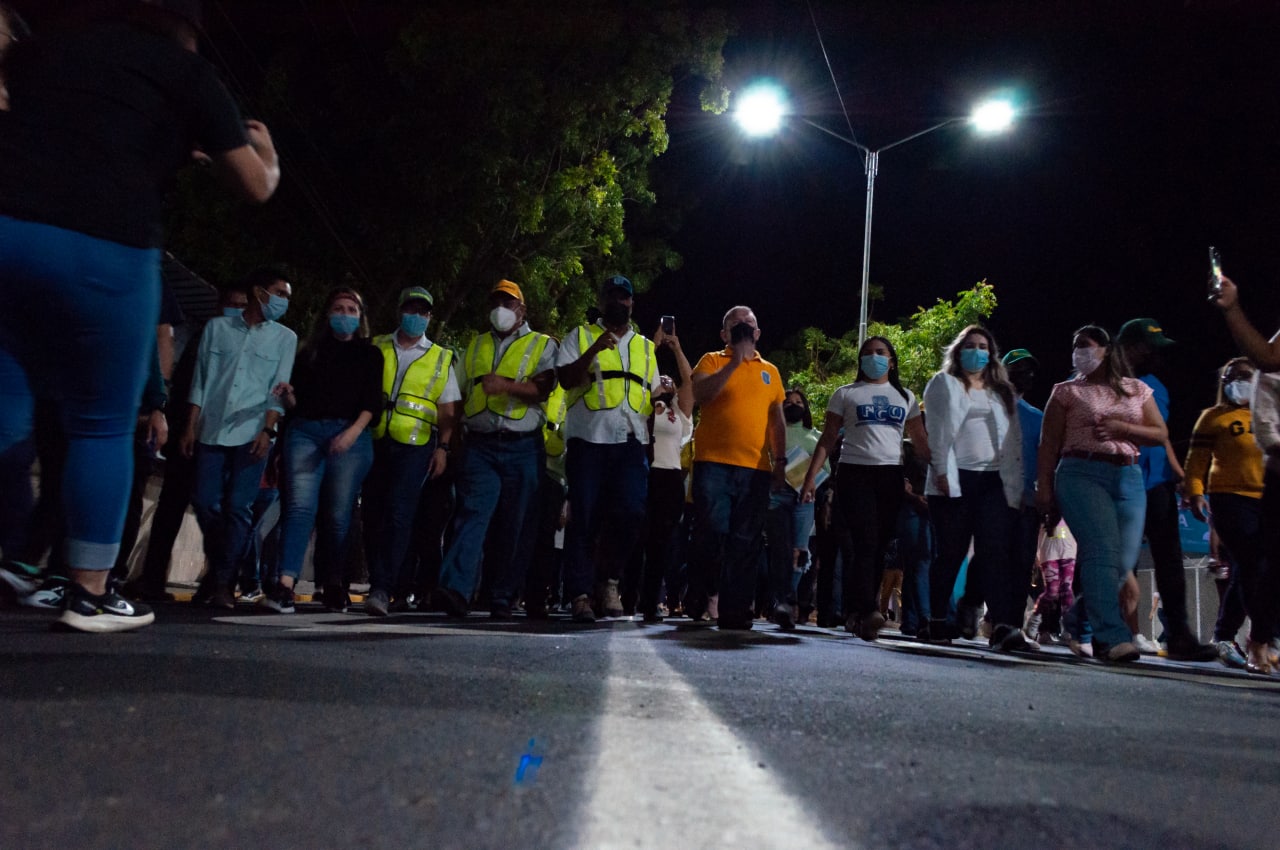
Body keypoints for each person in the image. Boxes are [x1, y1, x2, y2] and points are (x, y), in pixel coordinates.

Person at [0, 1, 279, 631]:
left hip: (8, 229)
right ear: (186, 25)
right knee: (101, 423)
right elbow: (256, 184)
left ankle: (12, 546)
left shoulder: (41, 50)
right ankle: (91, 592)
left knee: (7, 399)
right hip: (106, 246)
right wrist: (264, 149)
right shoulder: (183, 73)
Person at [1036, 325, 1168, 664]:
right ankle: (1111, 637)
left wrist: (1124, 429)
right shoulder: (1065, 392)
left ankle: (1077, 618)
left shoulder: (1137, 389)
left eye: (1087, 345)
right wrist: (1046, 490)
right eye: (1075, 345)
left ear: (1107, 350)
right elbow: (1048, 445)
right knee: (1101, 551)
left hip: (1128, 475)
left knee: (1122, 562)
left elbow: (1159, 433)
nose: (1080, 351)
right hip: (1081, 473)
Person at [436, 279, 557, 619]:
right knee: (471, 516)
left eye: (508, 303)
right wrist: (449, 441)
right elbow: (453, 396)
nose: (500, 309)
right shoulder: (474, 346)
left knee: (516, 525)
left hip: (523, 447)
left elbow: (543, 388)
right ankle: (456, 590)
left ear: (522, 310)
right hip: (480, 446)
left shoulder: (543, 345)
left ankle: (503, 596)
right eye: (496, 303)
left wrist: (504, 385)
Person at [259, 288, 381, 614]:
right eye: (338, 308)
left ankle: (333, 583)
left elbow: (372, 404)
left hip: (350, 437)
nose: (345, 314)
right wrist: (287, 396)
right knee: (299, 508)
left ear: (361, 316)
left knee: (338, 515)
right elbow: (299, 405)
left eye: (351, 309)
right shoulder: (309, 352)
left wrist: (351, 434)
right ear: (327, 315)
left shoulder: (370, 355)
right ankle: (285, 584)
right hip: (306, 433)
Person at [181, 268, 296, 610]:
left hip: (253, 432)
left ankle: (222, 581)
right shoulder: (217, 329)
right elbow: (200, 381)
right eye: (279, 293)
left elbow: (279, 389)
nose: (283, 301)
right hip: (211, 429)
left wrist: (268, 430)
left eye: (287, 296)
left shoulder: (285, 338)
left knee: (238, 508)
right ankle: (221, 568)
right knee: (204, 502)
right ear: (259, 292)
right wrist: (189, 426)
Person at [802, 336, 928, 640]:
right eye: (868, 353)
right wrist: (810, 479)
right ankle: (869, 609)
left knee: (879, 545)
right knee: (867, 540)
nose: (874, 357)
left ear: (892, 361)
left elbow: (921, 442)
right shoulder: (845, 394)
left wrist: (942, 474)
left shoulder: (906, 397)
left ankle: (858, 612)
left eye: (881, 352)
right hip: (854, 473)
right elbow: (828, 438)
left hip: (890, 476)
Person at [556, 275, 659, 622]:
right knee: (584, 516)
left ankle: (608, 579)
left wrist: (665, 394)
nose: (620, 302)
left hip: (631, 441)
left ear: (632, 303)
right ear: (601, 302)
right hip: (589, 438)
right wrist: (593, 350)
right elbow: (566, 379)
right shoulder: (580, 335)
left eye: (625, 298)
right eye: (612, 297)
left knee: (631, 512)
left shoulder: (646, 346)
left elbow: (652, 391)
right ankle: (580, 594)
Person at [1114, 318, 1216, 660]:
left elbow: (1162, 438)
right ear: (1128, 348)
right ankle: (1093, 627)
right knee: (1115, 561)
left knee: (1170, 562)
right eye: (1147, 348)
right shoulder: (1105, 385)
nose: (1154, 355)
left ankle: (1179, 636)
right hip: (1120, 482)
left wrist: (1181, 477)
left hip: (1156, 485)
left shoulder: (1156, 386)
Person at [922, 325, 1028, 651]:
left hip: (994, 481)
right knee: (950, 554)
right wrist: (941, 470)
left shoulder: (1001, 391)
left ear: (991, 353)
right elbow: (937, 430)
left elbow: (1012, 441)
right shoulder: (945, 383)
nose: (977, 351)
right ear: (958, 350)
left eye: (983, 346)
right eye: (971, 345)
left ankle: (1001, 626)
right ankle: (937, 619)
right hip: (954, 479)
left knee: (994, 552)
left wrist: (1016, 485)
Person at [685, 306, 787, 630]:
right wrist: (734, 362)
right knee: (712, 532)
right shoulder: (711, 360)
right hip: (713, 464)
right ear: (724, 334)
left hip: (755, 468)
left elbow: (777, 420)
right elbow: (701, 394)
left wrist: (780, 462)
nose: (743, 328)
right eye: (736, 324)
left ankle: (735, 609)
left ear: (758, 333)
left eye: (749, 324)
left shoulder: (771, 371)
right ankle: (702, 590)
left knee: (746, 541)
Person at [360, 286, 459, 616]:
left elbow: (448, 411)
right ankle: (388, 582)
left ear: (429, 317)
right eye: (410, 309)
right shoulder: (376, 346)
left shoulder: (441, 357)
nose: (415, 316)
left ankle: (382, 588)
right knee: (372, 514)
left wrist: (443, 448)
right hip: (374, 440)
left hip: (415, 446)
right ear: (400, 311)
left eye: (422, 311)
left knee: (399, 516)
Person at [1185, 357, 1271, 672]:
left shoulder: (1269, 415)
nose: (1241, 381)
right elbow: (1196, 460)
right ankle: (1256, 636)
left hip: (1268, 498)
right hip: (1229, 498)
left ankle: (1228, 635)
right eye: (1234, 376)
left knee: (1258, 569)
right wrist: (1195, 491)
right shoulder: (1213, 418)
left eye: (1248, 376)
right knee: (1251, 563)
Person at [636, 325, 694, 623]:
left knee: (661, 544)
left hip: (671, 479)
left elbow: (689, 380)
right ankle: (625, 594)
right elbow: (645, 372)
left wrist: (677, 348)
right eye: (662, 378)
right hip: (647, 474)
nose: (667, 380)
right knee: (637, 538)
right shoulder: (646, 404)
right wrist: (654, 346)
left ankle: (650, 603)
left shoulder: (678, 414)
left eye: (668, 379)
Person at [1002, 348, 1045, 634]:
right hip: (994, 499)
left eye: (1029, 370)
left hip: (1027, 503)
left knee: (1021, 566)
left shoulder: (1038, 417)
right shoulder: (988, 410)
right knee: (994, 561)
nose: (1025, 375)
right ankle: (991, 618)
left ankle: (1012, 626)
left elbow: (1045, 462)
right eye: (1018, 369)